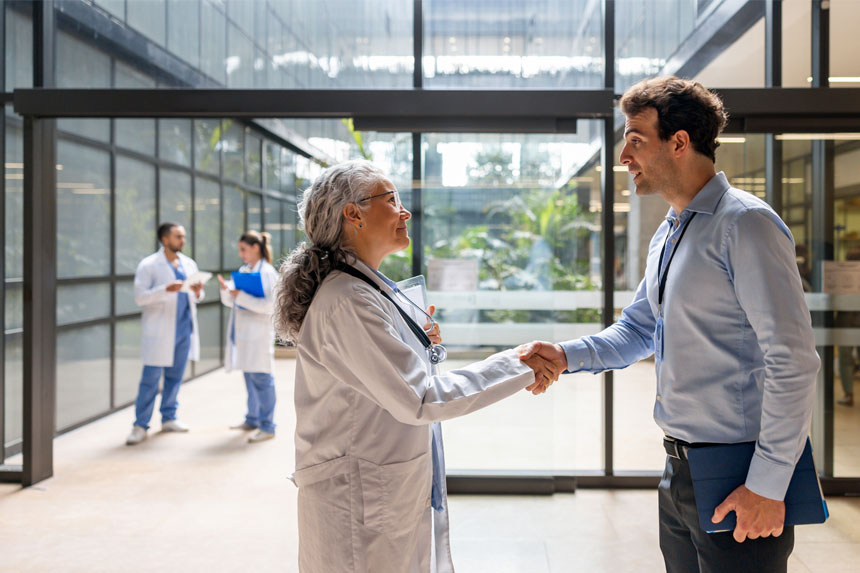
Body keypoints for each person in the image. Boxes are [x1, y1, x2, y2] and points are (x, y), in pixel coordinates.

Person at [520, 76, 819, 571]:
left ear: (678, 142)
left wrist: (767, 486)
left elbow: (793, 361)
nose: (623, 157)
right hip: (678, 469)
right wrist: (567, 355)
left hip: (741, 471)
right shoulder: (671, 230)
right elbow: (638, 329)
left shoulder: (745, 224)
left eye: (635, 140)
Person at [276, 160, 556, 572]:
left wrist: (418, 341)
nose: (404, 212)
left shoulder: (367, 288)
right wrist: (518, 364)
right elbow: (421, 397)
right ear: (352, 214)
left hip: (378, 488)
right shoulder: (350, 299)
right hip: (357, 500)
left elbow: (394, 375)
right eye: (391, 200)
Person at [126, 223, 205, 445]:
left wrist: (198, 292)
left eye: (184, 236)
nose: (183, 240)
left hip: (183, 330)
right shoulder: (149, 265)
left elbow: (195, 295)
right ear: (165, 239)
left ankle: (169, 417)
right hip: (160, 332)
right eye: (178, 236)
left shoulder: (188, 264)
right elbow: (140, 297)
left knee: (175, 378)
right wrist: (165, 290)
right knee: (150, 380)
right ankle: (140, 425)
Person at [218, 231, 280, 442]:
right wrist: (227, 291)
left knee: (262, 380)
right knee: (250, 379)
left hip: (258, 334)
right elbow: (233, 302)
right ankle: (252, 418)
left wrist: (241, 296)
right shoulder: (245, 271)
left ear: (256, 247)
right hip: (244, 334)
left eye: (244, 249)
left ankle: (268, 425)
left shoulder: (268, 273)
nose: (241, 254)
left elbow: (271, 306)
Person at [836, 248, 860, 407]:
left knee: (845, 359)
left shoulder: (841, 274)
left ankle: (848, 394)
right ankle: (848, 394)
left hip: (845, 319)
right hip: (847, 318)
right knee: (845, 358)